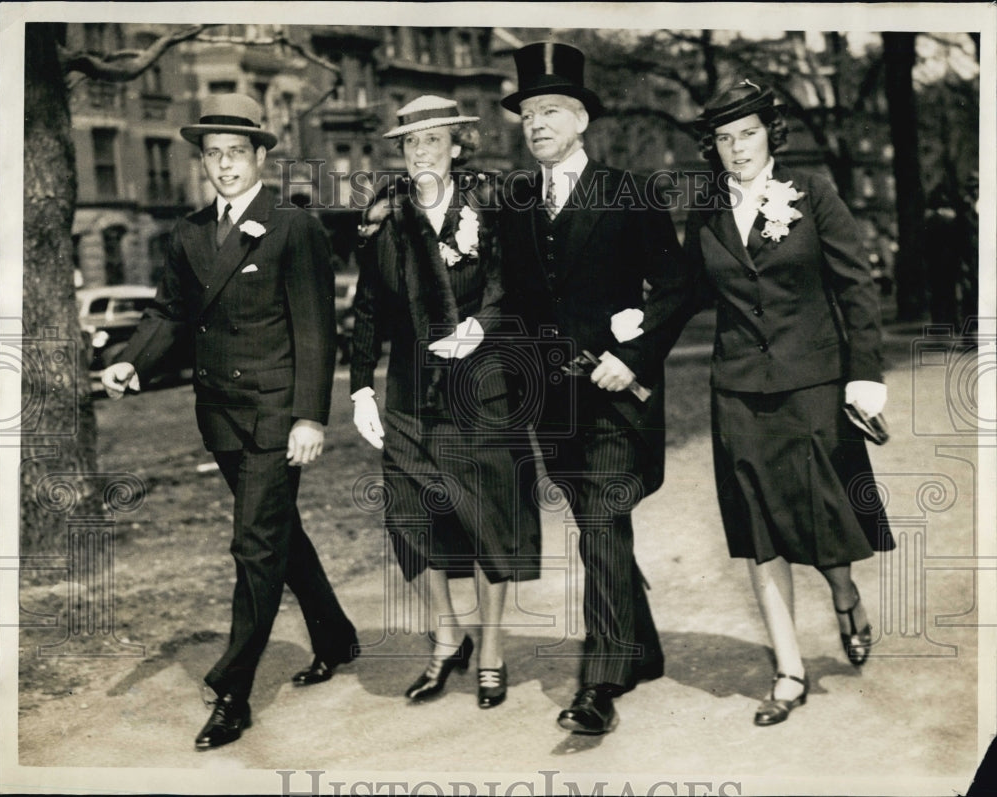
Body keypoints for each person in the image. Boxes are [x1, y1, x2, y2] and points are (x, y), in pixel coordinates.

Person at [101, 94, 358, 750]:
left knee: (254, 542)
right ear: (202, 162)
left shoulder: (293, 224)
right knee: (277, 533)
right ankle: (335, 634)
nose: (223, 166)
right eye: (212, 154)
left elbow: (314, 328)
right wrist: (131, 362)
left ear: (261, 157)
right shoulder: (189, 231)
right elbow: (167, 312)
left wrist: (309, 416)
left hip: (275, 411)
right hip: (218, 413)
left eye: (236, 153)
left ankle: (232, 691)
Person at [683, 80, 895, 726]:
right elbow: (682, 292)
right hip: (738, 393)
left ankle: (844, 591)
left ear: (769, 135)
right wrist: (632, 330)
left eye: (746, 133)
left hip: (813, 387)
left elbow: (857, 288)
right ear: (712, 148)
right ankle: (789, 669)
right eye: (722, 138)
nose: (735, 148)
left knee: (821, 516)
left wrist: (865, 375)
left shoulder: (814, 196)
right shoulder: (705, 211)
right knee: (757, 529)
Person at [499, 42, 692, 734]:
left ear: (581, 119)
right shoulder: (515, 202)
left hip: (616, 400)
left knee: (604, 523)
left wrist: (633, 354)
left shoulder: (629, 190)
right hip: (552, 407)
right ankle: (642, 649)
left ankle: (599, 682)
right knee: (594, 530)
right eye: (526, 113)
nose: (536, 123)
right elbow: (512, 303)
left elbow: (678, 286)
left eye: (549, 110)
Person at [350, 95, 542, 710]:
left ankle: (489, 650)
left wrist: (483, 326)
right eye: (411, 144)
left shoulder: (488, 205)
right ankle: (445, 641)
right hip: (409, 395)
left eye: (434, 141)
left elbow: (511, 285)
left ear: (458, 146)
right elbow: (367, 311)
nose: (421, 153)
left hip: (480, 388)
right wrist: (359, 386)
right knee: (417, 518)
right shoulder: (384, 218)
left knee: (488, 517)